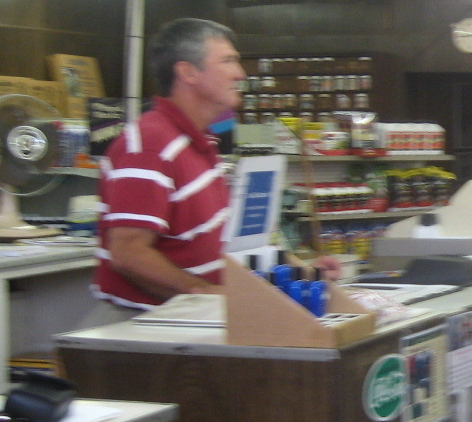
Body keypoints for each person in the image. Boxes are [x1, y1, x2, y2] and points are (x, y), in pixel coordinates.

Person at [95, 19, 340, 309]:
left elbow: (226, 244)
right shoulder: (149, 146)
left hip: (199, 319)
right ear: (188, 72)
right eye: (228, 61)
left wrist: (305, 274)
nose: (240, 74)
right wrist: (205, 293)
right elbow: (128, 253)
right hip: (150, 330)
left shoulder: (200, 144)